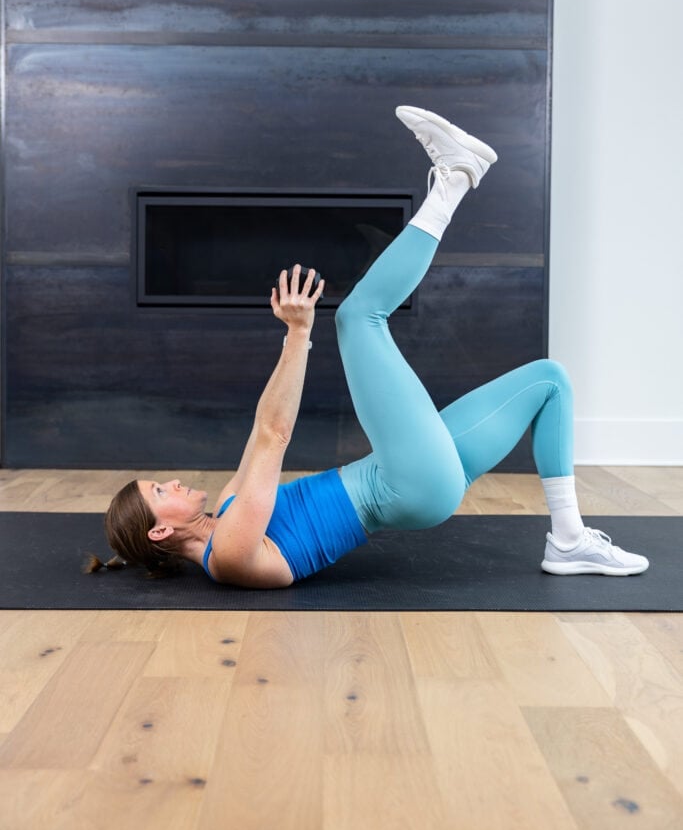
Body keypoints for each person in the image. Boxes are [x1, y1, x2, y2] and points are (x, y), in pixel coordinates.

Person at [85, 106, 649, 587]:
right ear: (161, 529)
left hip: (409, 475)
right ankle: (456, 177)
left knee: (549, 380)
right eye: (161, 490)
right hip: (405, 484)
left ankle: (570, 541)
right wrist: (299, 334)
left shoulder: (227, 510)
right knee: (358, 316)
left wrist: (296, 337)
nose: (173, 481)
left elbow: (262, 435)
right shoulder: (227, 553)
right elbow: (272, 435)